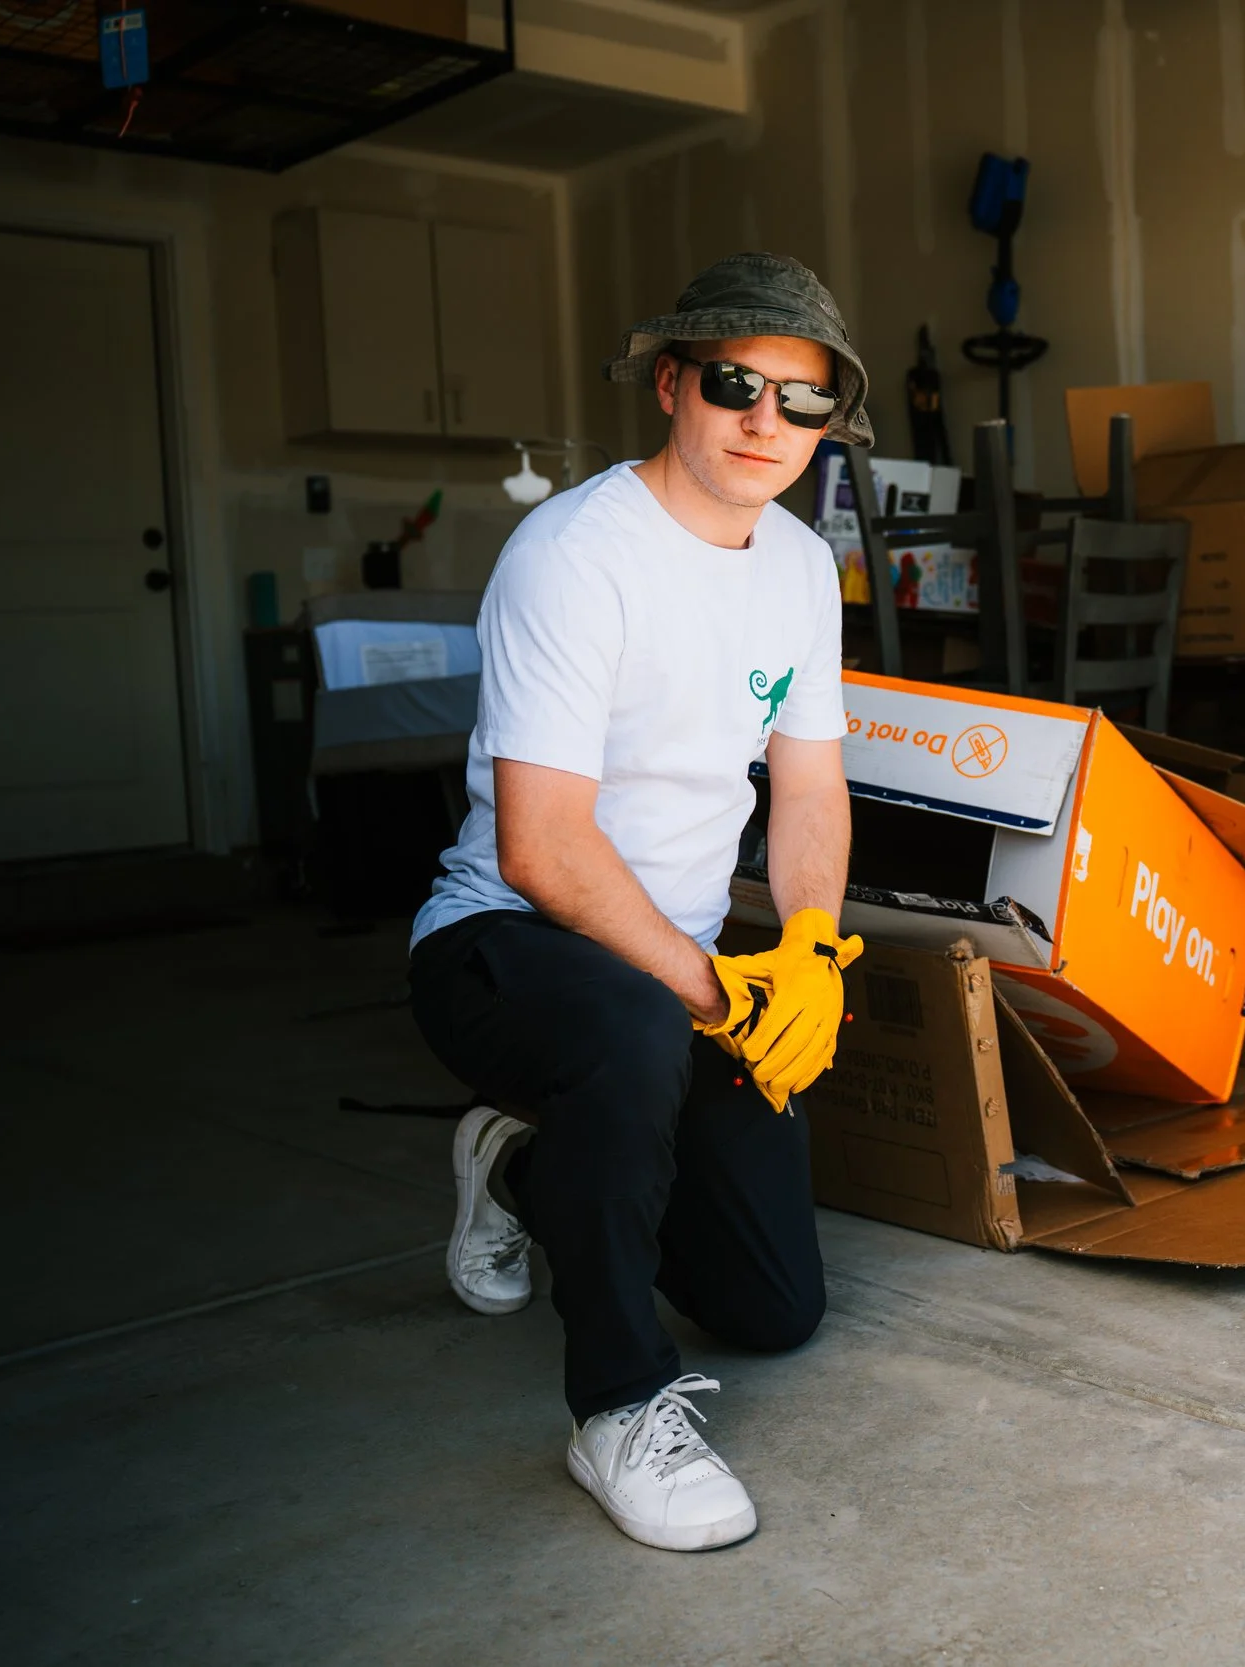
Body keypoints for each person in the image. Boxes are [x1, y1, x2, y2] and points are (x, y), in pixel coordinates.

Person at [407, 253, 872, 1553]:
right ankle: (617, 1404)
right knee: (633, 1027)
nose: (764, 421)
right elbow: (547, 849)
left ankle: (524, 1163)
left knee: (775, 1305)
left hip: (669, 964)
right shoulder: (572, 553)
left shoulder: (794, 564)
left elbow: (811, 789)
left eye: (801, 400)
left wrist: (810, 951)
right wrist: (722, 989)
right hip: (505, 945)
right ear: (672, 382)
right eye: (736, 383)